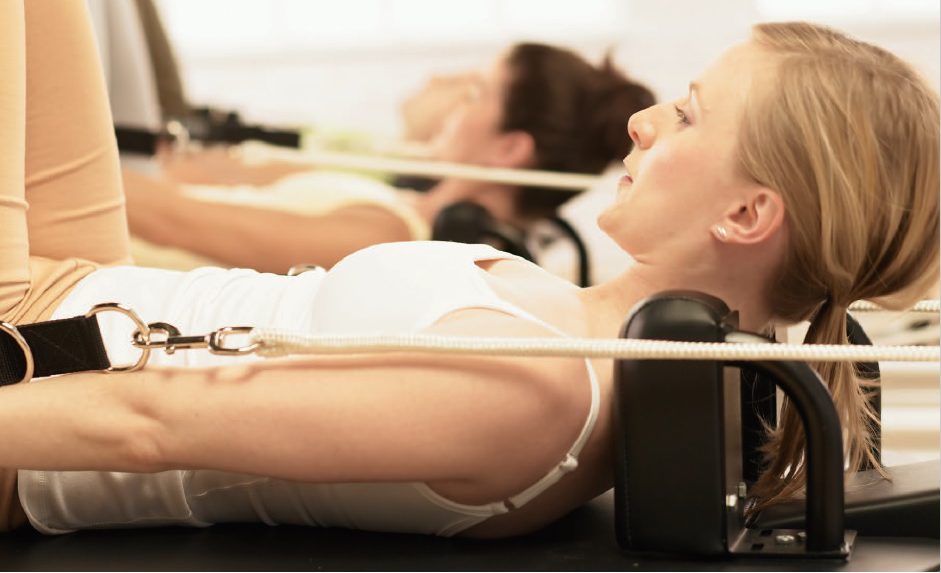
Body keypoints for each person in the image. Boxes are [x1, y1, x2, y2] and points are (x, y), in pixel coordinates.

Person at [0, 2, 937, 541]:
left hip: (30, 357)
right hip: (86, 284)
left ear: (744, 215)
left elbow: (147, 423)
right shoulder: (570, 337)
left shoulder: (529, 389)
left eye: (687, 115)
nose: (643, 120)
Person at [123, 42, 656, 272]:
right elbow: (202, 176)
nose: (454, 99)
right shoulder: (390, 200)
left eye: (476, 94)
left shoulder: (385, 236)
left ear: (509, 149)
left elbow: (170, 221)